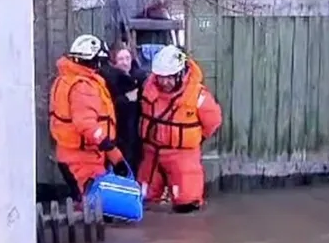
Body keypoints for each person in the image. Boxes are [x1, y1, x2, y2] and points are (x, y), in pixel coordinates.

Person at [137, 45, 222, 213]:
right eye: (161, 78)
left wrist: (193, 138)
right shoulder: (148, 89)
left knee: (187, 204)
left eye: (169, 78)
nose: (164, 82)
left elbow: (213, 122)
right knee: (142, 201)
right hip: (151, 154)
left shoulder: (198, 95)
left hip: (182, 156)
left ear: (180, 74)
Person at [49, 34, 131, 199]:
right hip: (82, 158)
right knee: (96, 205)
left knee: (92, 203)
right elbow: (87, 125)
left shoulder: (66, 79)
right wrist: (110, 148)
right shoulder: (82, 86)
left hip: (77, 154)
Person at [100, 44, 148, 174]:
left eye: (127, 58)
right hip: (118, 131)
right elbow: (107, 105)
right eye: (121, 59)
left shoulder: (140, 77)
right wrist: (126, 100)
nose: (125, 62)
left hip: (136, 132)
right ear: (113, 62)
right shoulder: (109, 80)